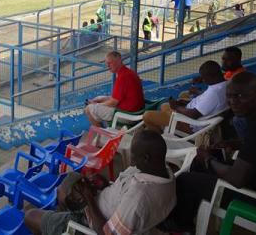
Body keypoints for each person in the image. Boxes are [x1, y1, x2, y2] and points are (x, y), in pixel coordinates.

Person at [168, 72, 256, 231]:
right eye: (230, 96)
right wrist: (233, 143)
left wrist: (208, 160)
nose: (233, 102)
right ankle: (189, 217)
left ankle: (178, 226)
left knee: (185, 180)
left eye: (240, 96)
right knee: (202, 163)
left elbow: (237, 179)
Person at [24, 130, 176, 235]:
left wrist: (88, 199)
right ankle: (61, 218)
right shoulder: (165, 172)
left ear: (146, 158)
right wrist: (104, 184)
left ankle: (62, 223)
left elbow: (105, 232)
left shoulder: (138, 198)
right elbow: (125, 193)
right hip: (103, 201)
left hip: (90, 222)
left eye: (134, 156)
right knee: (67, 185)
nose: (132, 161)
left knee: (30, 215)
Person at [142, 61, 227, 132]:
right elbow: (204, 103)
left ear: (212, 76)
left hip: (189, 123)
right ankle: (162, 126)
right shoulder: (223, 85)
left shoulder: (214, 93)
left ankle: (157, 138)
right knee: (164, 106)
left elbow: (194, 114)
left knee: (147, 116)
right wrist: (186, 103)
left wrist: (177, 107)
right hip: (190, 113)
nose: (203, 80)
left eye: (204, 78)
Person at [85, 51, 144, 127]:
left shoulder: (123, 77)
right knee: (101, 98)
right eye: (106, 63)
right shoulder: (128, 72)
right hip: (134, 111)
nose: (108, 66)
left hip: (128, 115)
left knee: (88, 109)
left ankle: (101, 135)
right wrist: (101, 99)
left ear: (119, 60)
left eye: (110, 63)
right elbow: (116, 98)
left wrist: (97, 104)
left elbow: (113, 103)